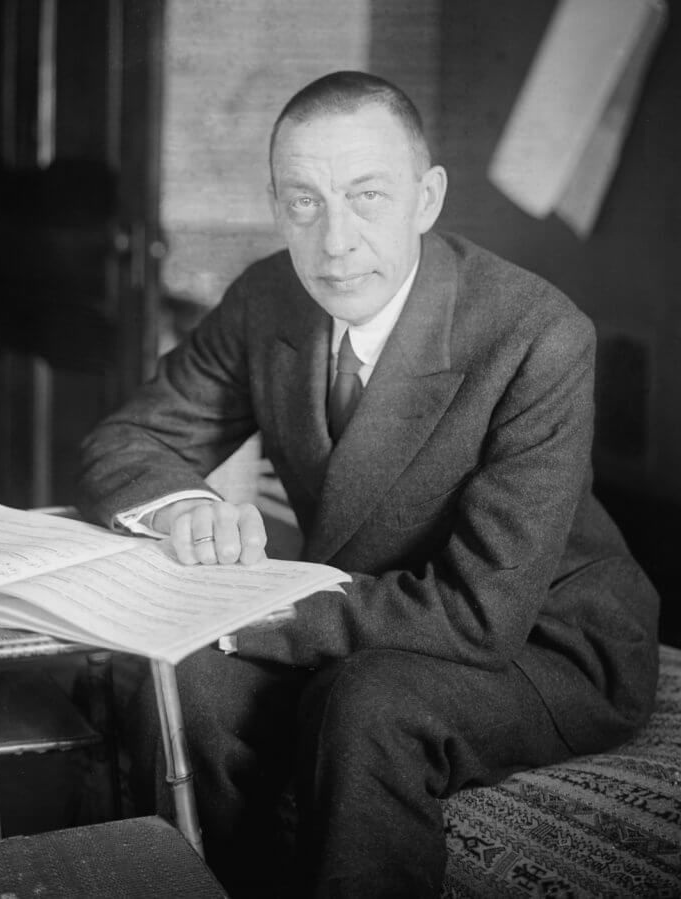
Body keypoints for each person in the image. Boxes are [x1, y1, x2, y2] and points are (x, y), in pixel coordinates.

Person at [77, 71, 659, 898]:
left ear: (427, 198)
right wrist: (186, 506)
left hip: (544, 634)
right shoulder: (266, 299)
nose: (335, 241)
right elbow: (127, 439)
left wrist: (252, 611)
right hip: (369, 607)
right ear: (277, 206)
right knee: (192, 683)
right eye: (304, 202)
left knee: (366, 703)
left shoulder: (538, 334)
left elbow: (482, 615)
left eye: (368, 196)